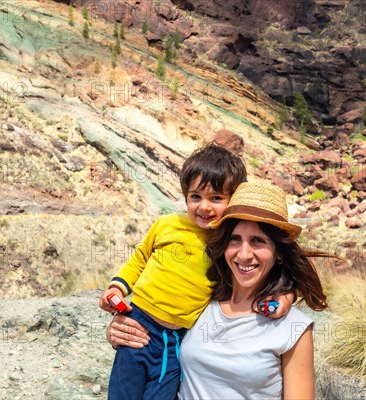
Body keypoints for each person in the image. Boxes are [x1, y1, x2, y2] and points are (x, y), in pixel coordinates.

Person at [99, 145, 294, 400]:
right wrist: (117, 288)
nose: (204, 207)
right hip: (139, 322)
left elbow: (268, 272)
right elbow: (139, 259)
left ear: (232, 201)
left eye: (216, 198)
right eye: (195, 197)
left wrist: (286, 296)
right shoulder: (167, 225)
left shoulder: (226, 242)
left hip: (178, 340)